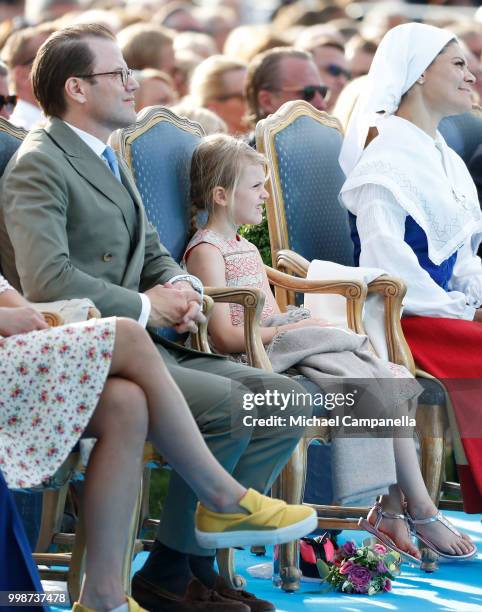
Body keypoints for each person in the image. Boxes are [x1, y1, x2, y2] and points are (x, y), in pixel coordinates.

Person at [0, 23, 313, 612]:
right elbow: (49, 282)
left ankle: (175, 568)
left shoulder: (106, 155)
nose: (130, 82)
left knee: (286, 400)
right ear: (77, 88)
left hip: (147, 343)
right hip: (82, 350)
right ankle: (188, 558)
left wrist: (182, 286)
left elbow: (150, 253)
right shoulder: (39, 162)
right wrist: (149, 306)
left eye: (129, 70)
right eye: (116, 73)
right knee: (235, 406)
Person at [184, 132, 476, 563]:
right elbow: (228, 337)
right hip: (252, 357)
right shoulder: (207, 251)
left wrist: (294, 325)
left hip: (275, 340)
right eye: (255, 187)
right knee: (371, 375)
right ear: (222, 195)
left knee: (384, 377)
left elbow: (265, 311)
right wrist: (289, 331)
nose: (264, 194)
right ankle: (417, 508)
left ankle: (394, 509)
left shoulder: (242, 244)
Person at [0, 274, 316, 612]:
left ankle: (105, 597)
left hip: (35, 350)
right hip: (90, 334)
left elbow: (13, 300)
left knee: (127, 403)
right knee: (131, 336)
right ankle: (217, 504)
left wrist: (183, 291)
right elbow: (49, 278)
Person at [338, 23, 482, 515]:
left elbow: (463, 258)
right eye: (458, 64)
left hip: (446, 313)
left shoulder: (445, 157)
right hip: (405, 320)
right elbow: (389, 270)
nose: (472, 75)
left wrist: (476, 299)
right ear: (418, 73)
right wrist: (465, 311)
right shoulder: (385, 161)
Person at [244, 47, 329, 147]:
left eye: (322, 92)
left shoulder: (334, 150)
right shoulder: (241, 161)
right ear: (267, 101)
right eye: (308, 93)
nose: (322, 104)